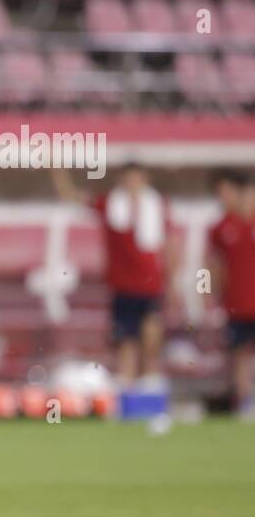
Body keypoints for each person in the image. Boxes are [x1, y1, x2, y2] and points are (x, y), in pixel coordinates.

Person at [52, 164, 174, 383]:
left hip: (151, 285)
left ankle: (151, 383)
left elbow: (169, 244)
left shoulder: (156, 206)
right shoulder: (111, 204)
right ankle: (127, 384)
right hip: (123, 286)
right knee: (126, 340)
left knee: (151, 339)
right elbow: (71, 196)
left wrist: (173, 278)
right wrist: (58, 171)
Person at [206, 169, 255, 417]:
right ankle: (244, 404)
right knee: (239, 355)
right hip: (236, 304)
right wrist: (205, 294)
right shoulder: (221, 228)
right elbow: (209, 265)